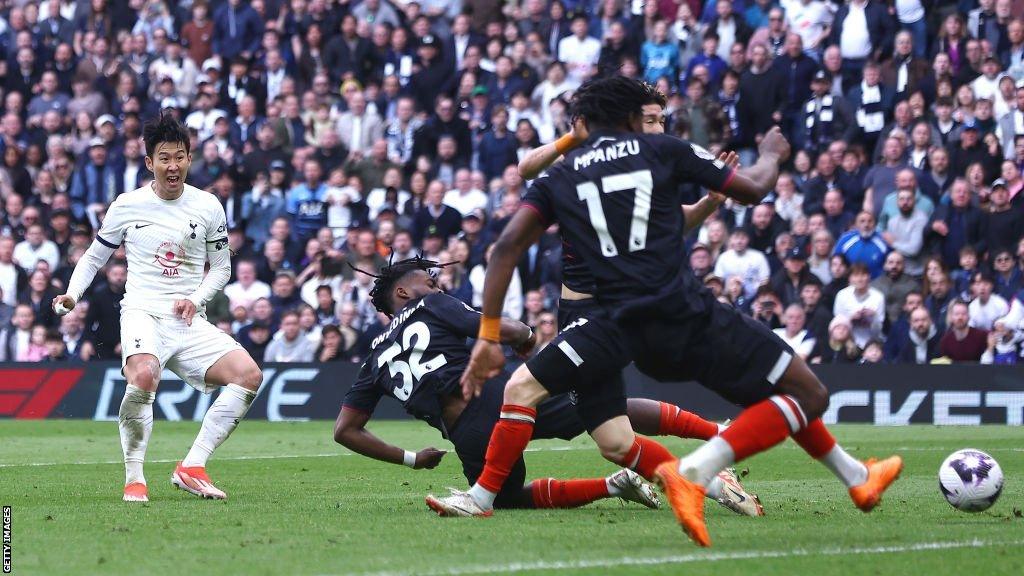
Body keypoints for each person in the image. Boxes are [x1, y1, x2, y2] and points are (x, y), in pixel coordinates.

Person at [435, 77, 900, 546]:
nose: (656, 125)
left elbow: (505, 248)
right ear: (632, 119)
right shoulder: (660, 151)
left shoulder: (564, 177)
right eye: (650, 118)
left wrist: (487, 337)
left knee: (613, 434)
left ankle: (857, 476)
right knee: (806, 393)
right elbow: (756, 189)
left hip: (619, 326)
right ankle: (698, 470)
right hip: (681, 312)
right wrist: (773, 153)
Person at [336, 257, 760, 514]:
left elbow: (345, 430)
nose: (437, 285)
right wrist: (526, 340)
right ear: (404, 292)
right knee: (610, 409)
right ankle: (717, 435)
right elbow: (499, 328)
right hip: (497, 395)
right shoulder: (430, 303)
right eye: (429, 282)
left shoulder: (372, 358)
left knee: (504, 498)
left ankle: (614, 486)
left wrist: (412, 459)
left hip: (466, 432)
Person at [52, 114, 263, 503]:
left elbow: (221, 269)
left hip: (187, 318)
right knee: (145, 375)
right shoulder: (128, 204)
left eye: (180, 157)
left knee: (249, 376)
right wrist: (72, 295)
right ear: (149, 162)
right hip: (142, 312)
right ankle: (135, 478)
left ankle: (192, 466)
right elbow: (94, 258)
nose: (173, 166)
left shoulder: (208, 205)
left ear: (189, 159)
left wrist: (196, 299)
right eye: (164, 158)